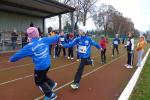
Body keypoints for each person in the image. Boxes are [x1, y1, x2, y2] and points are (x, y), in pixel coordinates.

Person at [9, 27, 59, 100]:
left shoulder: (30, 46)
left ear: (29, 36)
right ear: (37, 33)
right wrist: (59, 36)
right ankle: (52, 84)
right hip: (47, 64)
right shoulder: (44, 39)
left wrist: (11, 59)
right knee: (43, 76)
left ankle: (50, 95)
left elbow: (19, 54)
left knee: (38, 82)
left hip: (40, 67)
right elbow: (55, 38)